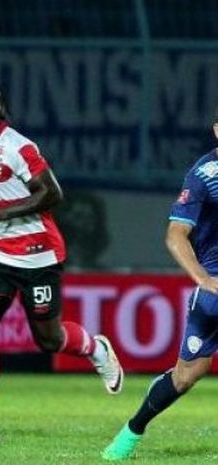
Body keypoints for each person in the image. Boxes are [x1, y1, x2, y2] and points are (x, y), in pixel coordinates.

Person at [0, 72, 124, 443]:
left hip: (36, 253)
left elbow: (52, 194)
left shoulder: (18, 146)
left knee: (48, 338)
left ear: (1, 107)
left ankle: (96, 348)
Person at [101, 112, 218, 460]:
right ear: (216, 130)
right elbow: (175, 234)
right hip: (214, 289)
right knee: (186, 375)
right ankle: (131, 431)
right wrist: (203, 278)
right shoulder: (204, 176)